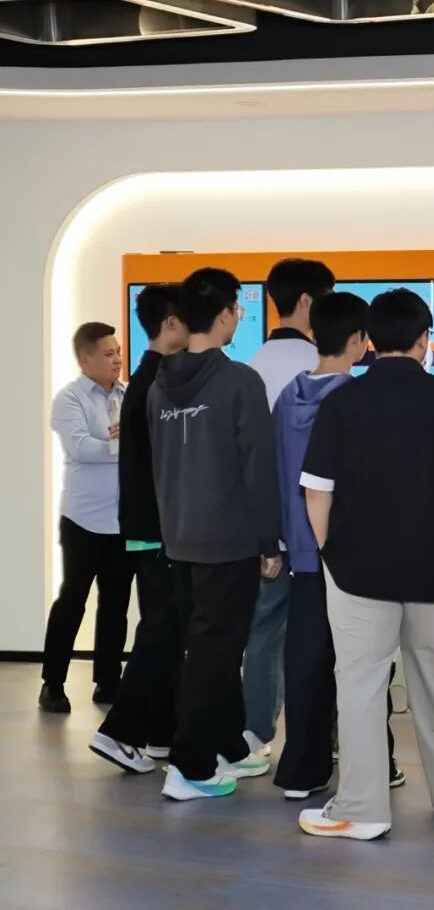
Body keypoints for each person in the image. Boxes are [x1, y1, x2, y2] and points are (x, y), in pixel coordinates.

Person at [297, 288, 434, 842]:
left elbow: (316, 491)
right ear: (424, 339)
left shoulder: (342, 404)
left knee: (360, 683)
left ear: (369, 341)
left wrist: (330, 550)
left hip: (358, 570)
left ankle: (363, 809)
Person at [148, 268, 283, 800]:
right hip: (228, 541)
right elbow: (258, 467)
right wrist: (269, 541)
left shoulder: (159, 384)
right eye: (238, 310)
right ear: (226, 313)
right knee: (215, 655)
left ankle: (228, 744)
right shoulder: (239, 382)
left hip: (180, 537)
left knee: (212, 649)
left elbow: (158, 466)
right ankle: (190, 767)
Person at [271, 292, 404, 799]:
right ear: (359, 340)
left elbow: (276, 474)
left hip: (301, 552)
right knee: (365, 663)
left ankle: (300, 772)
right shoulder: (357, 400)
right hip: (354, 553)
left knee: (305, 660)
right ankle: (377, 763)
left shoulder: (287, 397)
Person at [89, 286, 189, 773]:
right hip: (158, 526)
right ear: (170, 323)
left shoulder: (149, 378)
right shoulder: (156, 382)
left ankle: (161, 733)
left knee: (165, 628)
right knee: (163, 631)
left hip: (150, 524)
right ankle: (118, 732)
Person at [243, 258, 336, 757]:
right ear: (306, 301)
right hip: (317, 532)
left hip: (264, 531)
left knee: (263, 631)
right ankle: (331, 738)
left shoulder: (251, 366)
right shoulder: (321, 367)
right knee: (327, 636)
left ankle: (255, 733)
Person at [40, 323, 134, 713]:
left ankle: (108, 681)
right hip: (83, 519)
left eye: (118, 351)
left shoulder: (129, 395)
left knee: (116, 604)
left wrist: (121, 440)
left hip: (123, 519)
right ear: (85, 359)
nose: (117, 359)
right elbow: (81, 448)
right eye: (109, 353)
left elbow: (138, 445)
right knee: (73, 601)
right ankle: (53, 683)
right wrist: (123, 443)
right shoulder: (70, 398)